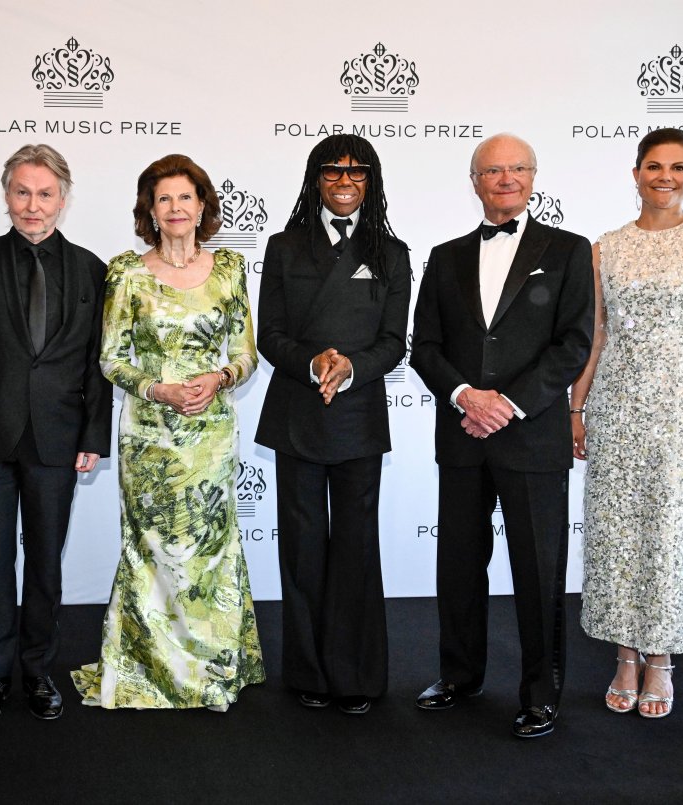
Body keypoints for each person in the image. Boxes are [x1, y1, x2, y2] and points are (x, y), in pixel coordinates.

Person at [410, 133, 594, 738]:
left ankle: (541, 692)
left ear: (534, 178)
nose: (506, 178)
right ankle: (460, 676)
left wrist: (508, 404)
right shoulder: (444, 256)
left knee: (538, 570)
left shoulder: (569, 251)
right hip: (463, 432)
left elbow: (574, 344)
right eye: (493, 169)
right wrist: (467, 396)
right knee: (459, 564)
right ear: (475, 181)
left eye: (517, 168)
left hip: (532, 436)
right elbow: (426, 346)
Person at [71, 153, 263, 710]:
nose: (176, 208)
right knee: (151, 548)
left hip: (211, 436)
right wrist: (159, 389)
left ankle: (210, 667)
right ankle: (148, 669)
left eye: (185, 197)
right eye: (164, 199)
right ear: (149, 211)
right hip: (149, 438)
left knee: (209, 549)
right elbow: (110, 359)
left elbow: (246, 353)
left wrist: (221, 377)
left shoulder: (229, 268)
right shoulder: (126, 273)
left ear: (202, 205)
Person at [570, 128, 683, 719]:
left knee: (672, 535)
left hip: (682, 413)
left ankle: (661, 659)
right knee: (617, 535)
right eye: (654, 166)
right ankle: (624, 656)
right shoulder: (606, 247)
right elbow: (596, 336)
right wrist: (577, 406)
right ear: (635, 173)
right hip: (617, 407)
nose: (665, 176)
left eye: (678, 166)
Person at [0, 144, 110, 722]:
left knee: (45, 561)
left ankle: (38, 672)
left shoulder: (92, 269)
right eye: (21, 192)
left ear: (63, 199)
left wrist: (93, 436)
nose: (32, 206)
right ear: (6, 194)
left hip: (59, 437)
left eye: (44, 194)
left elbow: (97, 362)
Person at [255, 134, 411, 715]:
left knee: (354, 548)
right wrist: (312, 361)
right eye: (333, 173)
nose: (345, 183)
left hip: (358, 414)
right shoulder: (284, 246)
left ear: (371, 182)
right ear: (315, 180)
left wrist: (350, 368)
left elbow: (395, 342)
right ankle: (309, 674)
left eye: (357, 174)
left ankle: (357, 678)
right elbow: (269, 334)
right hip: (297, 411)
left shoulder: (391, 253)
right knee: (301, 549)